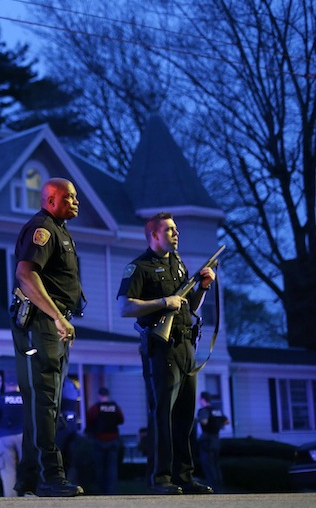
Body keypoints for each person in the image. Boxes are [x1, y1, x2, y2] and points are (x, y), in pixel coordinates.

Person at [117, 211, 215, 495]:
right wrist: (162, 301)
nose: (176, 233)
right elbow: (125, 307)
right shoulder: (139, 267)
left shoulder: (179, 264)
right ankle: (161, 479)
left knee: (185, 415)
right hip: (161, 347)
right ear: (155, 235)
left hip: (186, 345)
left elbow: (189, 307)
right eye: (170, 230)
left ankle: (184, 476)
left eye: (176, 229)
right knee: (162, 414)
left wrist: (203, 287)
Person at [9, 177, 85, 498]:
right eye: (69, 197)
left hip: (54, 325)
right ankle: (50, 476)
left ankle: (29, 477)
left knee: (45, 403)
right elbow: (26, 274)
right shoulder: (42, 228)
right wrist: (56, 316)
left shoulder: (60, 230)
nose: (76, 201)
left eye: (76, 197)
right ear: (50, 200)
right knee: (44, 401)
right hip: (41, 324)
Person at [0, 379, 24, 497]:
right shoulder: (26, 398)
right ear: (18, 386)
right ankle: (30, 497)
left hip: (4, 436)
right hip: (23, 435)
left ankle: (11, 499)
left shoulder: (0, 398)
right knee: (28, 467)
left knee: (7, 470)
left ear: (6, 385)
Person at [85, 387, 124, 494]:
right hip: (113, 440)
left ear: (98, 395)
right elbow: (121, 420)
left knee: (100, 468)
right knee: (112, 469)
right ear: (108, 395)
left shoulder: (95, 408)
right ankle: (111, 491)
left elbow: (89, 422)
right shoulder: (115, 407)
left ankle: (101, 491)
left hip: (99, 440)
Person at [197, 392, 229, 490]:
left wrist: (197, 420)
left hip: (207, 440)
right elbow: (227, 421)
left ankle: (212, 486)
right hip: (216, 439)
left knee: (208, 464)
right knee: (215, 463)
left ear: (203, 399)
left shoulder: (203, 410)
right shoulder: (217, 410)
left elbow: (204, 421)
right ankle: (219, 485)